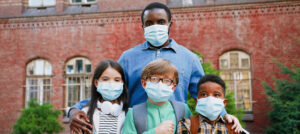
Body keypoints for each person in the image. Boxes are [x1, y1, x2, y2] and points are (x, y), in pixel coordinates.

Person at [69, 2, 242, 133]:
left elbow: (206, 94)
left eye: (160, 21)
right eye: (149, 23)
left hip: (176, 127)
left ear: (170, 24)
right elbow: (109, 90)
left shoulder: (189, 58)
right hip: (137, 127)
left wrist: (225, 116)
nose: (155, 26)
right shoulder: (128, 57)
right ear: (143, 26)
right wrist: (74, 109)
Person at [122, 59, 192, 134]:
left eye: (167, 80)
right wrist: (155, 132)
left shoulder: (183, 110)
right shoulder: (133, 114)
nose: (160, 84)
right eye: (154, 79)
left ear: (173, 87)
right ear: (144, 83)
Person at [71, 60, 129, 134]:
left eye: (117, 80)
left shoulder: (129, 113)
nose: (111, 84)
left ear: (122, 83)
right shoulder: (85, 114)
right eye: (105, 79)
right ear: (96, 82)